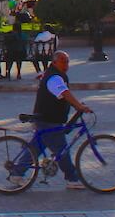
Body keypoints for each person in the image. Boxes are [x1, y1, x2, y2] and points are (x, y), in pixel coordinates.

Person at [9, 50, 92, 189]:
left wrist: (77, 105)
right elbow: (64, 93)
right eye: (62, 61)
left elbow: (64, 95)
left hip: (45, 118)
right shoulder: (54, 78)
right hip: (49, 120)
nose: (66, 65)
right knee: (62, 150)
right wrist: (79, 106)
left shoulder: (55, 75)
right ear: (54, 62)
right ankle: (72, 179)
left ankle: (16, 173)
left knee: (35, 149)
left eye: (67, 62)